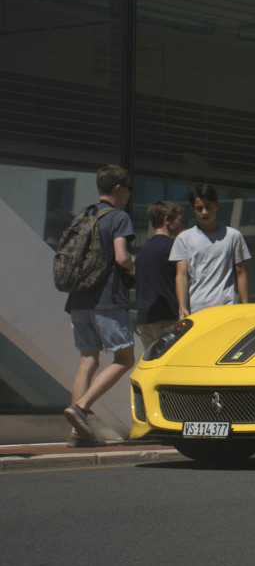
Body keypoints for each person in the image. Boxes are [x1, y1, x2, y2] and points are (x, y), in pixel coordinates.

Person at [62, 164, 135, 446]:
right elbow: (121, 257)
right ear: (118, 188)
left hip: (78, 299)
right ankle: (81, 408)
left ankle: (75, 431)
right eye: (128, 189)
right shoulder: (119, 218)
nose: (129, 194)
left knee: (88, 359)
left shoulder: (84, 215)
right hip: (107, 300)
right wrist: (131, 268)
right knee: (124, 359)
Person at [171, 184, 250, 316]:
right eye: (199, 208)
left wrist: (246, 307)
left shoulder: (233, 236)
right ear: (192, 209)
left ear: (217, 205)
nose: (204, 212)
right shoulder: (184, 238)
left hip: (227, 309)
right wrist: (182, 307)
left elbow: (240, 273)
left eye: (208, 207)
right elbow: (181, 275)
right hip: (196, 310)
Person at [135, 200, 185, 348]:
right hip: (166, 318)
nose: (182, 225)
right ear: (167, 220)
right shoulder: (173, 248)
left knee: (153, 366)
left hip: (144, 320)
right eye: (179, 220)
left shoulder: (142, 252)